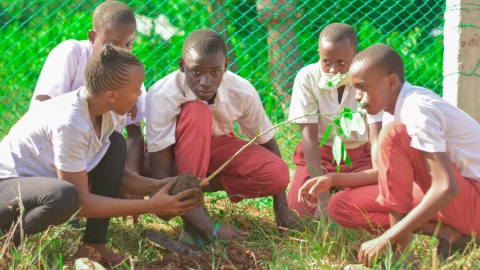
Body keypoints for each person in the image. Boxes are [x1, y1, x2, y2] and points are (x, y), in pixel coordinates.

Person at [0, 44, 201, 265]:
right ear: (112, 95)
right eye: (136, 90)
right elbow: (80, 203)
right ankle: (6, 244)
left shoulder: (108, 112)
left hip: (41, 185)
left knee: (116, 145)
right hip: (7, 187)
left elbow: (118, 176)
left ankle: (93, 244)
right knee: (63, 196)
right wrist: (151, 206)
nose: (139, 96)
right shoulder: (71, 122)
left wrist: (161, 186)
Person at [302, 44, 480, 267]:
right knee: (341, 205)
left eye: (363, 87)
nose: (357, 97)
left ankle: (401, 260)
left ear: (391, 82)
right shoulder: (392, 111)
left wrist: (387, 238)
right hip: (456, 199)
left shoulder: (416, 108)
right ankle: (452, 235)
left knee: (393, 135)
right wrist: (333, 180)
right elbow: (386, 175)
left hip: (472, 200)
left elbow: (446, 186)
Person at [146, 29, 297, 246]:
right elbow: (159, 171)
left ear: (225, 65)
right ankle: (194, 214)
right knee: (196, 111)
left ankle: (193, 193)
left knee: (277, 173)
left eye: (215, 72)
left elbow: (267, 142)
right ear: (182, 65)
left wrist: (281, 208)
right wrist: (210, 227)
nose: (205, 81)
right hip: (175, 157)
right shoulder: (162, 94)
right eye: (196, 72)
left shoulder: (241, 90)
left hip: (217, 149)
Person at [30, 1, 147, 178]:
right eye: (114, 44)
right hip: (52, 153)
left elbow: (134, 134)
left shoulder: (129, 73)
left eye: (129, 44)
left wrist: (132, 176)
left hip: (93, 157)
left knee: (117, 143)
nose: (122, 51)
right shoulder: (71, 53)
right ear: (93, 37)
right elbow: (41, 109)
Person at [287, 23, 382, 219]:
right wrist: (320, 195)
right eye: (326, 61)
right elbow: (309, 138)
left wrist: (376, 173)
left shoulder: (369, 79)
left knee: (372, 203)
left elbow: (376, 136)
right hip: (319, 156)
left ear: (356, 55)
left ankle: (342, 192)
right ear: (318, 53)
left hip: (358, 158)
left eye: (342, 62)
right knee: (301, 208)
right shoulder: (308, 78)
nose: (333, 70)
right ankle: (333, 191)